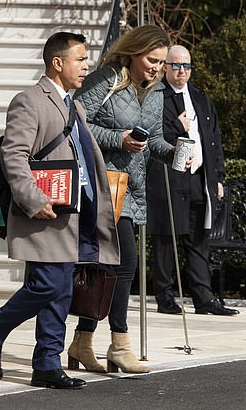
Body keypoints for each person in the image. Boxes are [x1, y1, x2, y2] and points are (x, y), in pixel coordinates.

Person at [0, 32, 120, 389]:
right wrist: (34, 201)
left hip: (74, 212)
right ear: (58, 63)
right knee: (47, 285)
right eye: (80, 59)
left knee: (62, 290)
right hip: (44, 212)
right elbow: (14, 156)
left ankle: (47, 364)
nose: (87, 66)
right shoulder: (29, 101)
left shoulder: (75, 105)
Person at [69, 24, 175, 374]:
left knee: (110, 267)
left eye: (161, 62)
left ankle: (83, 341)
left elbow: (155, 140)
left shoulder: (157, 92)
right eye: (152, 59)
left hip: (134, 188)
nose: (156, 67)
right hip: (103, 184)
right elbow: (75, 121)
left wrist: (175, 154)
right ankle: (119, 343)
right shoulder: (107, 79)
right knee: (124, 262)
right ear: (134, 51)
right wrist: (119, 138)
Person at [146, 45, 239, 316]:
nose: (181, 71)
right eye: (176, 66)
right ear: (166, 68)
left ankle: (204, 298)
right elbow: (152, 135)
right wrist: (177, 126)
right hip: (169, 175)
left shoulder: (200, 98)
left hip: (199, 176)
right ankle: (165, 298)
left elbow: (214, 139)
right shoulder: (156, 97)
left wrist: (217, 177)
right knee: (166, 238)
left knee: (199, 238)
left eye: (186, 66)